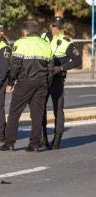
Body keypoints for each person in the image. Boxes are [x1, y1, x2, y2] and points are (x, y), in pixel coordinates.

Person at [0, 21, 53, 152]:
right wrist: (47, 84)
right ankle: (34, 144)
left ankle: (9, 143)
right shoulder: (45, 44)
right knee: (37, 114)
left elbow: (15, 65)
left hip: (25, 82)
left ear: (26, 31)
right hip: (41, 82)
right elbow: (50, 68)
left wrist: (11, 83)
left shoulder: (20, 43)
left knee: (14, 113)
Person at [41, 16, 82, 149]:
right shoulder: (43, 37)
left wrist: (62, 68)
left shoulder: (66, 42)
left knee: (58, 109)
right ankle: (43, 138)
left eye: (57, 27)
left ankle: (57, 139)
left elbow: (77, 60)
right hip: (43, 78)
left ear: (61, 28)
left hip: (57, 79)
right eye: (53, 26)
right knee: (40, 107)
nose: (55, 29)